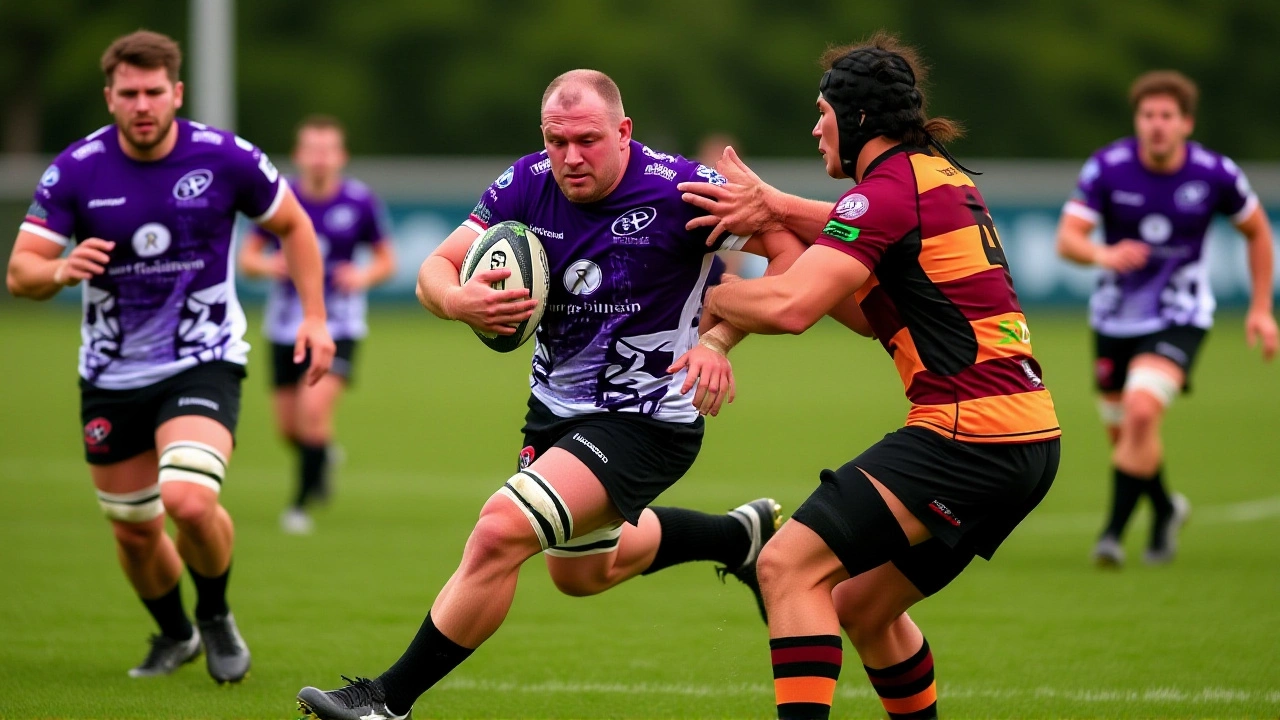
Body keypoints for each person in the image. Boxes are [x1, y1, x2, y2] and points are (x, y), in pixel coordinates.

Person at [295, 69, 797, 720]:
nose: (570, 157)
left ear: (624, 132)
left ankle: (384, 702)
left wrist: (720, 339)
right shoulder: (528, 183)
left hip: (648, 418)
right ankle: (737, 538)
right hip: (556, 410)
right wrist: (457, 300)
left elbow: (789, 259)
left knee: (500, 530)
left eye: (587, 140)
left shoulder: (683, 189)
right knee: (581, 574)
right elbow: (434, 271)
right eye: (556, 141)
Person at [679, 32, 1061, 719]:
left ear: (856, 119)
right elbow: (858, 310)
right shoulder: (940, 177)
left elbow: (794, 307)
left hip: (965, 434)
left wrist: (711, 300)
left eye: (821, 113)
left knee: (785, 567)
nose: (814, 128)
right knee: (861, 605)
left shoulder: (885, 192)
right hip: (1027, 441)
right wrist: (775, 210)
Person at [5, 30, 333, 683]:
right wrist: (63, 268)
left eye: (155, 92)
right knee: (132, 525)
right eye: (129, 94)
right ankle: (174, 631)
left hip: (202, 358)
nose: (143, 105)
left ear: (176, 92)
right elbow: (20, 273)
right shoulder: (76, 170)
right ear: (110, 98)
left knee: (187, 501)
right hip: (111, 372)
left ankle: (213, 614)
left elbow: (293, 225)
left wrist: (317, 320)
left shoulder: (225, 157)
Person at [1055, 70, 1276, 567]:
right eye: (1148, 115)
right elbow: (1067, 240)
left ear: (1186, 123)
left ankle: (1110, 536)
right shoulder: (1107, 167)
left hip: (1181, 314)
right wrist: (1103, 254)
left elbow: (1258, 233)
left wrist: (1261, 308)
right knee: (1129, 438)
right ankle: (1165, 509)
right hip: (1113, 319)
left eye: (1166, 116)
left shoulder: (1215, 173)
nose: (1156, 125)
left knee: (1140, 413)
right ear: (1138, 120)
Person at [239, 115, 397, 534]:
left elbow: (386, 261)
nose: (320, 158)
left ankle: (299, 506)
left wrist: (363, 276)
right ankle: (322, 455)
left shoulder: (359, 202)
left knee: (313, 412)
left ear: (341, 156)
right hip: (284, 327)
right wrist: (268, 264)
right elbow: (247, 258)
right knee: (288, 428)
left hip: (339, 326)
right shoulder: (282, 198)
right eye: (313, 149)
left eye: (328, 150)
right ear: (298, 155)